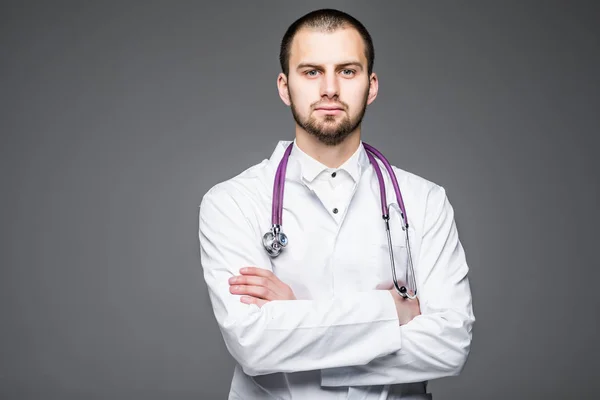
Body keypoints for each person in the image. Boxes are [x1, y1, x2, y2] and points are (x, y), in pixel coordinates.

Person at [198, 8, 475, 400]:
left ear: (371, 85)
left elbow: (449, 347)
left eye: (347, 71)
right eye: (311, 72)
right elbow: (254, 346)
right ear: (284, 86)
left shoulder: (425, 201)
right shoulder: (232, 202)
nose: (330, 88)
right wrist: (390, 313)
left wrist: (296, 320)